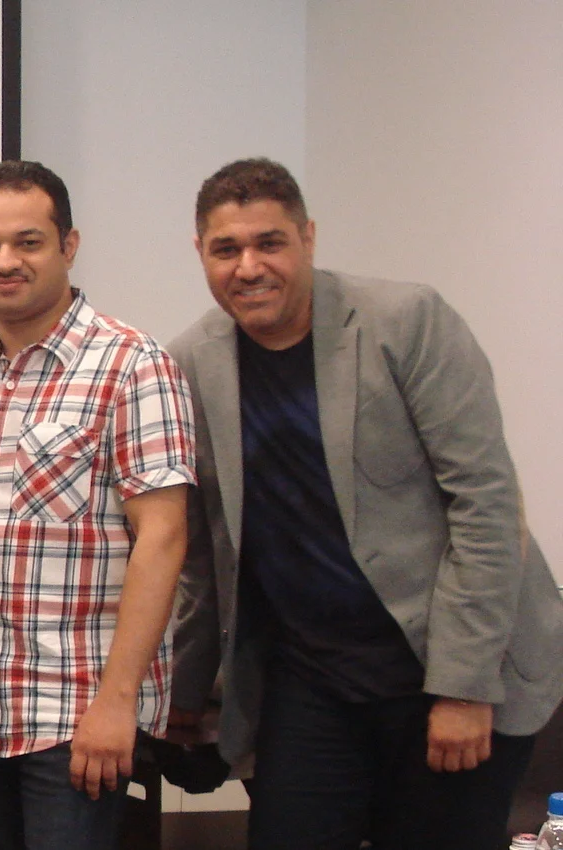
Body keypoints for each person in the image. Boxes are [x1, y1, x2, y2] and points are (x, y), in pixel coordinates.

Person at [168, 158, 563, 849]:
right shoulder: (191, 362)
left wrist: (465, 687)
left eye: (270, 243)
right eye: (226, 249)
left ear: (309, 238)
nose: (249, 266)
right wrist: (187, 702)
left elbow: (487, 503)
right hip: (312, 683)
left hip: (447, 672)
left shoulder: (406, 322)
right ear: (199, 252)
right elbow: (209, 552)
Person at [0, 161, 195, 849]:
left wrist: (117, 704)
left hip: (76, 717)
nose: (5, 261)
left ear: (68, 246)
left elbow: (163, 541)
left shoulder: (134, 365)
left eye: (28, 241)